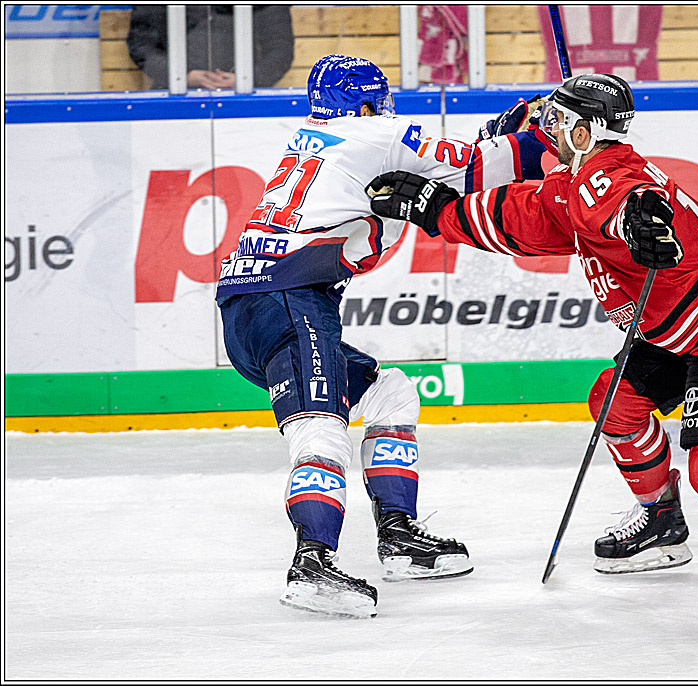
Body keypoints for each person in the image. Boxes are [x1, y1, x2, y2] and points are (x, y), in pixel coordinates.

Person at [365, 74, 698, 631]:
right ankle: (662, 522)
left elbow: (627, 200)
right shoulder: (570, 184)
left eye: (560, 122)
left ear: (585, 131)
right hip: (675, 329)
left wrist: (640, 222)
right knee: (615, 405)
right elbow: (512, 219)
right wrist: (433, 208)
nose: (549, 129)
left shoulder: (606, 175)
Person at [215, 55, 547, 618]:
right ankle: (312, 562)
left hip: (252, 305)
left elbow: (448, 164)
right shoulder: (379, 132)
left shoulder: (323, 138)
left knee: (389, 392)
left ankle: (398, 535)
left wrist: (507, 126)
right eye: (383, 100)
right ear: (368, 103)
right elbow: (477, 167)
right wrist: (554, 131)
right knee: (320, 430)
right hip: (290, 299)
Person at [127, 5, 294, 90]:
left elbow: (280, 48)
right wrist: (181, 76)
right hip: (176, 97)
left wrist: (247, 79)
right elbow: (142, 46)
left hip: (242, 98)